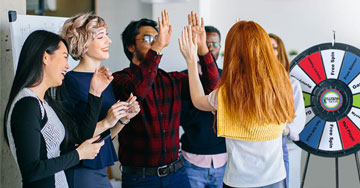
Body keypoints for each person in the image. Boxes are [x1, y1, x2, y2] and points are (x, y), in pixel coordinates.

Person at [179, 21, 295, 188]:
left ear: (233, 52)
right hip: (275, 178)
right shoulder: (282, 85)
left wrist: (191, 60)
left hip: (238, 181)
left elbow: (198, 100)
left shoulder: (227, 94)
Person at [112, 10, 219, 188]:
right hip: (140, 178)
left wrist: (202, 48)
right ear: (131, 46)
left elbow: (212, 88)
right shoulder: (120, 79)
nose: (155, 41)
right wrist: (159, 47)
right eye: (148, 39)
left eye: (157, 37)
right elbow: (137, 91)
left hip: (177, 173)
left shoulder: (172, 80)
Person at [3, 30, 110, 188]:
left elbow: (80, 138)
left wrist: (95, 93)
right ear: (45, 57)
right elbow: (32, 171)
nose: (67, 66)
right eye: (65, 56)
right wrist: (78, 154)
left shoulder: (45, 102)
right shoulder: (27, 105)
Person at [60, 13, 140, 188]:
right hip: (81, 170)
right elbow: (75, 138)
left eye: (107, 35)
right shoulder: (70, 81)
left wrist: (124, 119)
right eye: (101, 36)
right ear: (83, 44)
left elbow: (105, 136)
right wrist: (107, 121)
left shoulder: (102, 78)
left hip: (100, 167)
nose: (108, 41)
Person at [180, 25, 226, 188]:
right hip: (192, 159)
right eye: (207, 44)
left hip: (224, 160)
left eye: (215, 44)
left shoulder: (228, 77)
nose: (211, 49)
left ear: (220, 47)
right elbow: (182, 116)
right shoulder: (184, 77)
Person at [269, 33, 306, 188]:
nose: (270, 51)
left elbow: (298, 119)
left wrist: (283, 130)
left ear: (280, 52)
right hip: (257, 148)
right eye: (266, 47)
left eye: (274, 47)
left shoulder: (291, 84)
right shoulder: (249, 84)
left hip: (285, 145)